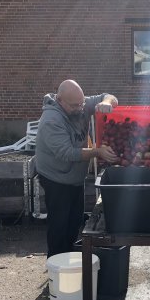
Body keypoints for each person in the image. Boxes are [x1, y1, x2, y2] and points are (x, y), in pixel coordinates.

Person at [35, 79, 119, 257]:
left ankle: (68, 256)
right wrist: (98, 152)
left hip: (74, 177)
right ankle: (57, 263)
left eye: (81, 103)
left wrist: (106, 102)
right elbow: (67, 153)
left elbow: (109, 97)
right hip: (55, 178)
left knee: (74, 221)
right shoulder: (52, 120)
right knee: (59, 224)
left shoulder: (81, 104)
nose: (80, 108)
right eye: (74, 105)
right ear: (59, 100)